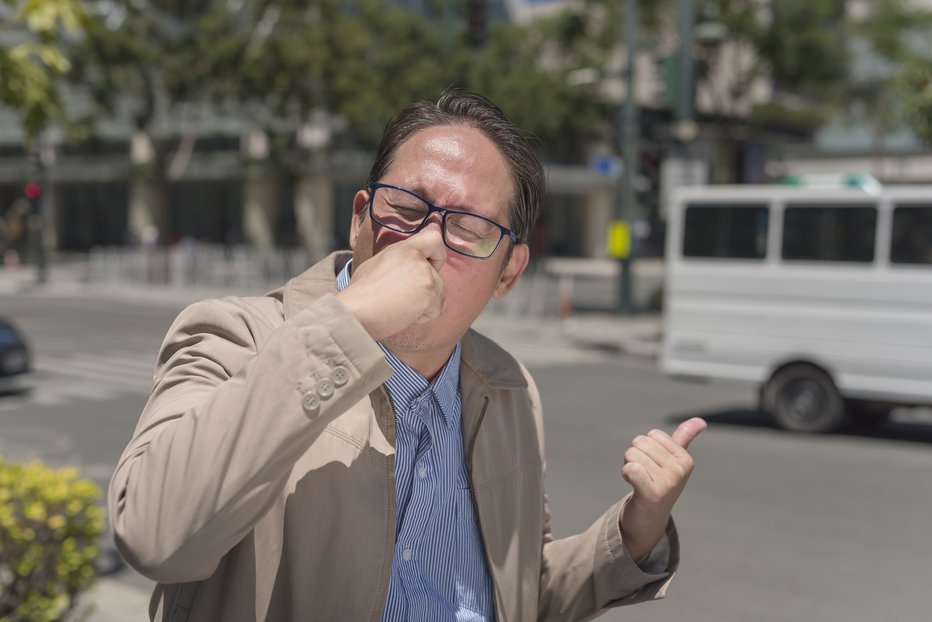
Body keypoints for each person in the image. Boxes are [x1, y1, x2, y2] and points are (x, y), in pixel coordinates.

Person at [109, 90, 706, 621]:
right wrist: (349, 322)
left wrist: (634, 531)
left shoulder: (509, 387)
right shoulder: (235, 336)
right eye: (406, 207)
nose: (426, 244)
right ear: (360, 219)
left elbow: (517, 591)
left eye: (468, 227)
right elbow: (155, 536)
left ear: (509, 272)